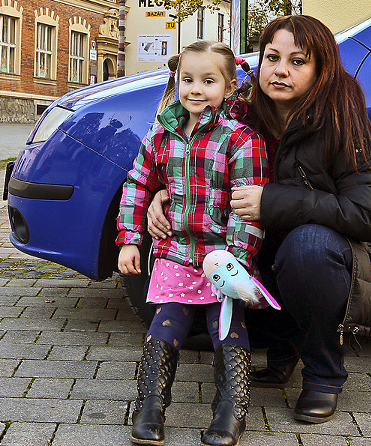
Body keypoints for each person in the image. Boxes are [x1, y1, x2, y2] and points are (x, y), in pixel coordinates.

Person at [147, 15, 371, 424]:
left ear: (321, 70)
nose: (281, 70)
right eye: (272, 57)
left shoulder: (340, 120)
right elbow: (187, 158)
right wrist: (163, 193)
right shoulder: (239, 116)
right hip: (259, 257)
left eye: (298, 61)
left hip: (340, 265)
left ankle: (323, 373)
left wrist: (273, 201)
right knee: (202, 256)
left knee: (308, 248)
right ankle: (283, 347)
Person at [117, 40, 268, 446]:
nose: (196, 89)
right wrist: (130, 240)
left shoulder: (241, 138)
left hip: (222, 255)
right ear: (176, 81)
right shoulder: (162, 132)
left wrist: (234, 260)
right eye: (187, 79)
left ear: (230, 85)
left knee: (227, 325)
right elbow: (137, 184)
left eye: (208, 80)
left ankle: (230, 409)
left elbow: (247, 204)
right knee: (167, 318)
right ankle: (149, 404)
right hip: (177, 252)